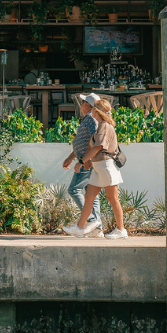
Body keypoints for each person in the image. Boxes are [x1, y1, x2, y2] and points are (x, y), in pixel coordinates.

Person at [71, 98, 127, 240]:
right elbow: (92, 145)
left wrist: (82, 161)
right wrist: (87, 161)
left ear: (96, 111)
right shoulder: (101, 125)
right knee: (89, 197)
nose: (91, 111)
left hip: (106, 166)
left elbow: (98, 147)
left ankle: (121, 230)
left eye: (93, 109)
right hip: (98, 166)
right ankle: (79, 228)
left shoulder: (104, 126)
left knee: (112, 198)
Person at [61, 93, 103, 238]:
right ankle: (97, 229)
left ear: (88, 105)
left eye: (83, 102)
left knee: (74, 189)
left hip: (86, 162)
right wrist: (70, 157)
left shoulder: (91, 119)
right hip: (84, 160)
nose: (81, 104)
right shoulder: (88, 119)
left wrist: (85, 161)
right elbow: (84, 142)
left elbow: (93, 141)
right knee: (92, 194)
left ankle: (92, 221)